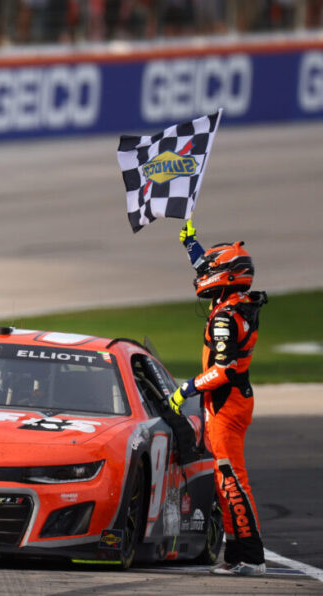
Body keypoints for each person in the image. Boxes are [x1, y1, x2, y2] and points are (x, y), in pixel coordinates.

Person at [169, 219, 268, 576]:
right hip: (229, 402)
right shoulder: (234, 302)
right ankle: (238, 555)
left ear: (226, 275)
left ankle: (250, 557)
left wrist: (187, 388)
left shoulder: (226, 317)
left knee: (231, 480)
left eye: (211, 270)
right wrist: (191, 245)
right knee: (226, 478)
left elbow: (223, 369)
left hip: (226, 403)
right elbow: (210, 271)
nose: (203, 276)